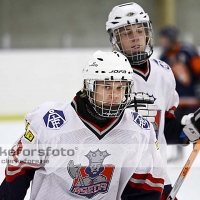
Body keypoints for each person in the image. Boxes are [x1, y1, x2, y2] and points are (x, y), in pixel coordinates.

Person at [0, 50, 165, 200]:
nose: (114, 95)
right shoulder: (50, 123)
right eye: (106, 86)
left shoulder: (138, 130)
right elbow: (18, 170)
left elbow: (143, 187)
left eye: (120, 87)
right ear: (88, 87)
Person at [105, 2, 200, 199]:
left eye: (140, 30)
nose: (135, 38)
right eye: (127, 33)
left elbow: (164, 129)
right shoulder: (104, 76)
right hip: (116, 182)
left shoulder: (163, 72)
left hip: (156, 179)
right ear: (115, 39)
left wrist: (191, 130)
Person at [159, 25, 200, 160]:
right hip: (176, 101)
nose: (162, 42)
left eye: (164, 39)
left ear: (172, 39)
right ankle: (179, 153)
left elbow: (198, 71)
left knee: (196, 125)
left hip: (192, 99)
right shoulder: (164, 56)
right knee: (177, 126)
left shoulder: (188, 51)